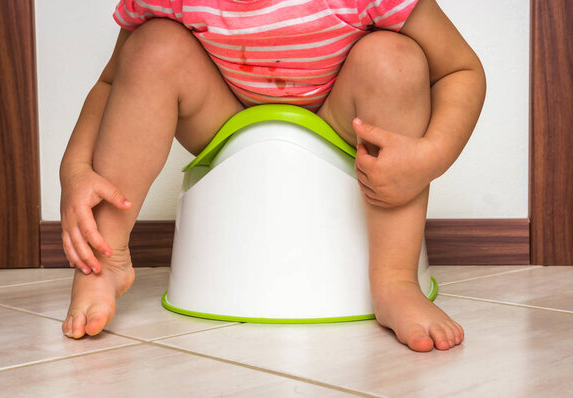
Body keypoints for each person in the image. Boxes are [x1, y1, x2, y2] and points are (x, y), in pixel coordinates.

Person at [59, 0, 485, 352]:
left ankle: (396, 279)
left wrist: (431, 155)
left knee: (395, 58)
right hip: (221, 112)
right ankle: (104, 259)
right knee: (152, 47)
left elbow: (460, 70)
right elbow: (111, 83)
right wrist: (75, 169)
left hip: (344, 112)